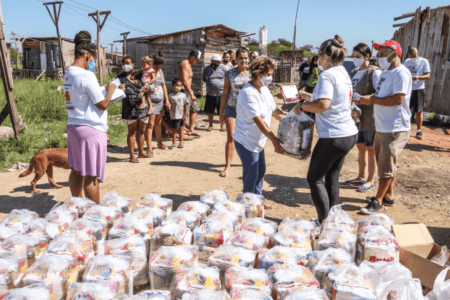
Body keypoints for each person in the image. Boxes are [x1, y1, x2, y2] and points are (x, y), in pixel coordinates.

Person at [293, 35, 358, 226]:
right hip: (348, 133)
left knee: (314, 178)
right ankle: (330, 219)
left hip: (333, 136)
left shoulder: (326, 75)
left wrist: (303, 106)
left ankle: (324, 223)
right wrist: (308, 97)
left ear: (326, 57)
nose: (318, 60)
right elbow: (332, 99)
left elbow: (322, 105)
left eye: (320, 55)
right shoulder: (343, 72)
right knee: (332, 176)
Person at [356, 40, 412, 214]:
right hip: (383, 126)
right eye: (378, 54)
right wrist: (366, 99)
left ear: (393, 53)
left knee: (386, 166)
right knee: (387, 165)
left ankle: (378, 201)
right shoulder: (388, 72)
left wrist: (371, 100)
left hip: (394, 127)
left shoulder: (401, 73)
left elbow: (397, 99)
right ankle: (388, 196)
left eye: (382, 54)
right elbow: (381, 95)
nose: (378, 57)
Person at [64, 30, 117, 203]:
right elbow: (102, 104)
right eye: (93, 58)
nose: (93, 62)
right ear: (87, 55)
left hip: (74, 126)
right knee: (91, 176)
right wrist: (110, 91)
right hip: (91, 130)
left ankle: (77, 204)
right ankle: (95, 215)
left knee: (77, 170)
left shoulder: (69, 73)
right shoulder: (87, 75)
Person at [233, 56, 286, 194]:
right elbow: (259, 121)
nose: (270, 78)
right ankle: (249, 204)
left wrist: (292, 120)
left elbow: (275, 111)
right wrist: (274, 140)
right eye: (268, 75)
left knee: (261, 171)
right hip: (246, 141)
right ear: (258, 73)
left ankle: (258, 200)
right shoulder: (248, 93)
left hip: (258, 140)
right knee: (251, 176)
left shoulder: (264, 89)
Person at [344, 43, 382, 192]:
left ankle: (370, 179)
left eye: (358, 57)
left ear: (367, 56)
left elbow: (380, 93)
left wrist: (365, 99)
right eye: (353, 56)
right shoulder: (353, 72)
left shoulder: (374, 72)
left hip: (370, 115)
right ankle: (360, 176)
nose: (355, 59)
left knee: (370, 147)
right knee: (360, 146)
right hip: (356, 114)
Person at [219, 47, 251, 177]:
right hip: (231, 108)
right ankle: (227, 167)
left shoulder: (253, 72)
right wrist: (221, 111)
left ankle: (248, 164)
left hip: (248, 111)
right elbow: (225, 93)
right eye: (241, 58)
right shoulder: (230, 73)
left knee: (248, 138)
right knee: (231, 137)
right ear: (236, 59)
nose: (243, 60)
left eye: (245, 58)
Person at [117, 56, 153, 163]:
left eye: (128, 63)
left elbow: (151, 89)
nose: (125, 65)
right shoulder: (120, 78)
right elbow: (111, 90)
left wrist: (148, 89)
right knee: (132, 131)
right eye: (123, 63)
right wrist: (119, 88)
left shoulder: (142, 75)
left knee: (141, 130)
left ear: (133, 64)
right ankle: (132, 155)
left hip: (142, 107)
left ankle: (141, 152)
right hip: (129, 108)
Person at [146, 52, 173, 154]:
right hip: (151, 101)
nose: (157, 69)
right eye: (156, 66)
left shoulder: (161, 71)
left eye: (159, 67)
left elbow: (163, 86)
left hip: (160, 101)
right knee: (150, 125)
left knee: (158, 123)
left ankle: (159, 143)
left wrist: (166, 100)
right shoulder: (147, 72)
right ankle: (149, 148)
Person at [404, 47, 431, 140]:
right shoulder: (407, 62)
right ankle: (406, 130)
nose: (413, 58)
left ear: (417, 53)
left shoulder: (424, 61)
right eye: (411, 56)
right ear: (408, 55)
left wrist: (418, 77)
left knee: (418, 111)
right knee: (406, 110)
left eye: (414, 56)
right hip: (407, 89)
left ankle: (419, 131)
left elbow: (428, 75)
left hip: (418, 88)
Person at [178, 49, 202, 137]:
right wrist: (191, 93)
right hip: (183, 91)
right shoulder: (185, 64)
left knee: (195, 108)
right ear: (193, 57)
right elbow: (184, 80)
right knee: (184, 112)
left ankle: (191, 129)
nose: (197, 61)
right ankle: (181, 133)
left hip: (187, 91)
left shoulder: (189, 64)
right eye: (197, 59)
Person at [203, 54, 227, 131]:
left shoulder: (224, 68)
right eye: (214, 62)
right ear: (211, 61)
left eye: (218, 62)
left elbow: (228, 78)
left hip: (221, 94)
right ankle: (210, 125)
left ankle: (222, 125)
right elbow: (204, 79)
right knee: (210, 111)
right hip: (210, 94)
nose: (216, 63)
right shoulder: (206, 69)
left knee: (221, 111)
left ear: (220, 62)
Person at [168, 79, 189, 149]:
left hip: (182, 115)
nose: (178, 87)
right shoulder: (170, 95)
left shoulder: (183, 95)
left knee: (181, 129)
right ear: (172, 85)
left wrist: (185, 115)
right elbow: (168, 105)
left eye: (180, 85)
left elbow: (186, 105)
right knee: (174, 130)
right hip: (174, 115)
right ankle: (174, 143)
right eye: (176, 85)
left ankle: (181, 143)